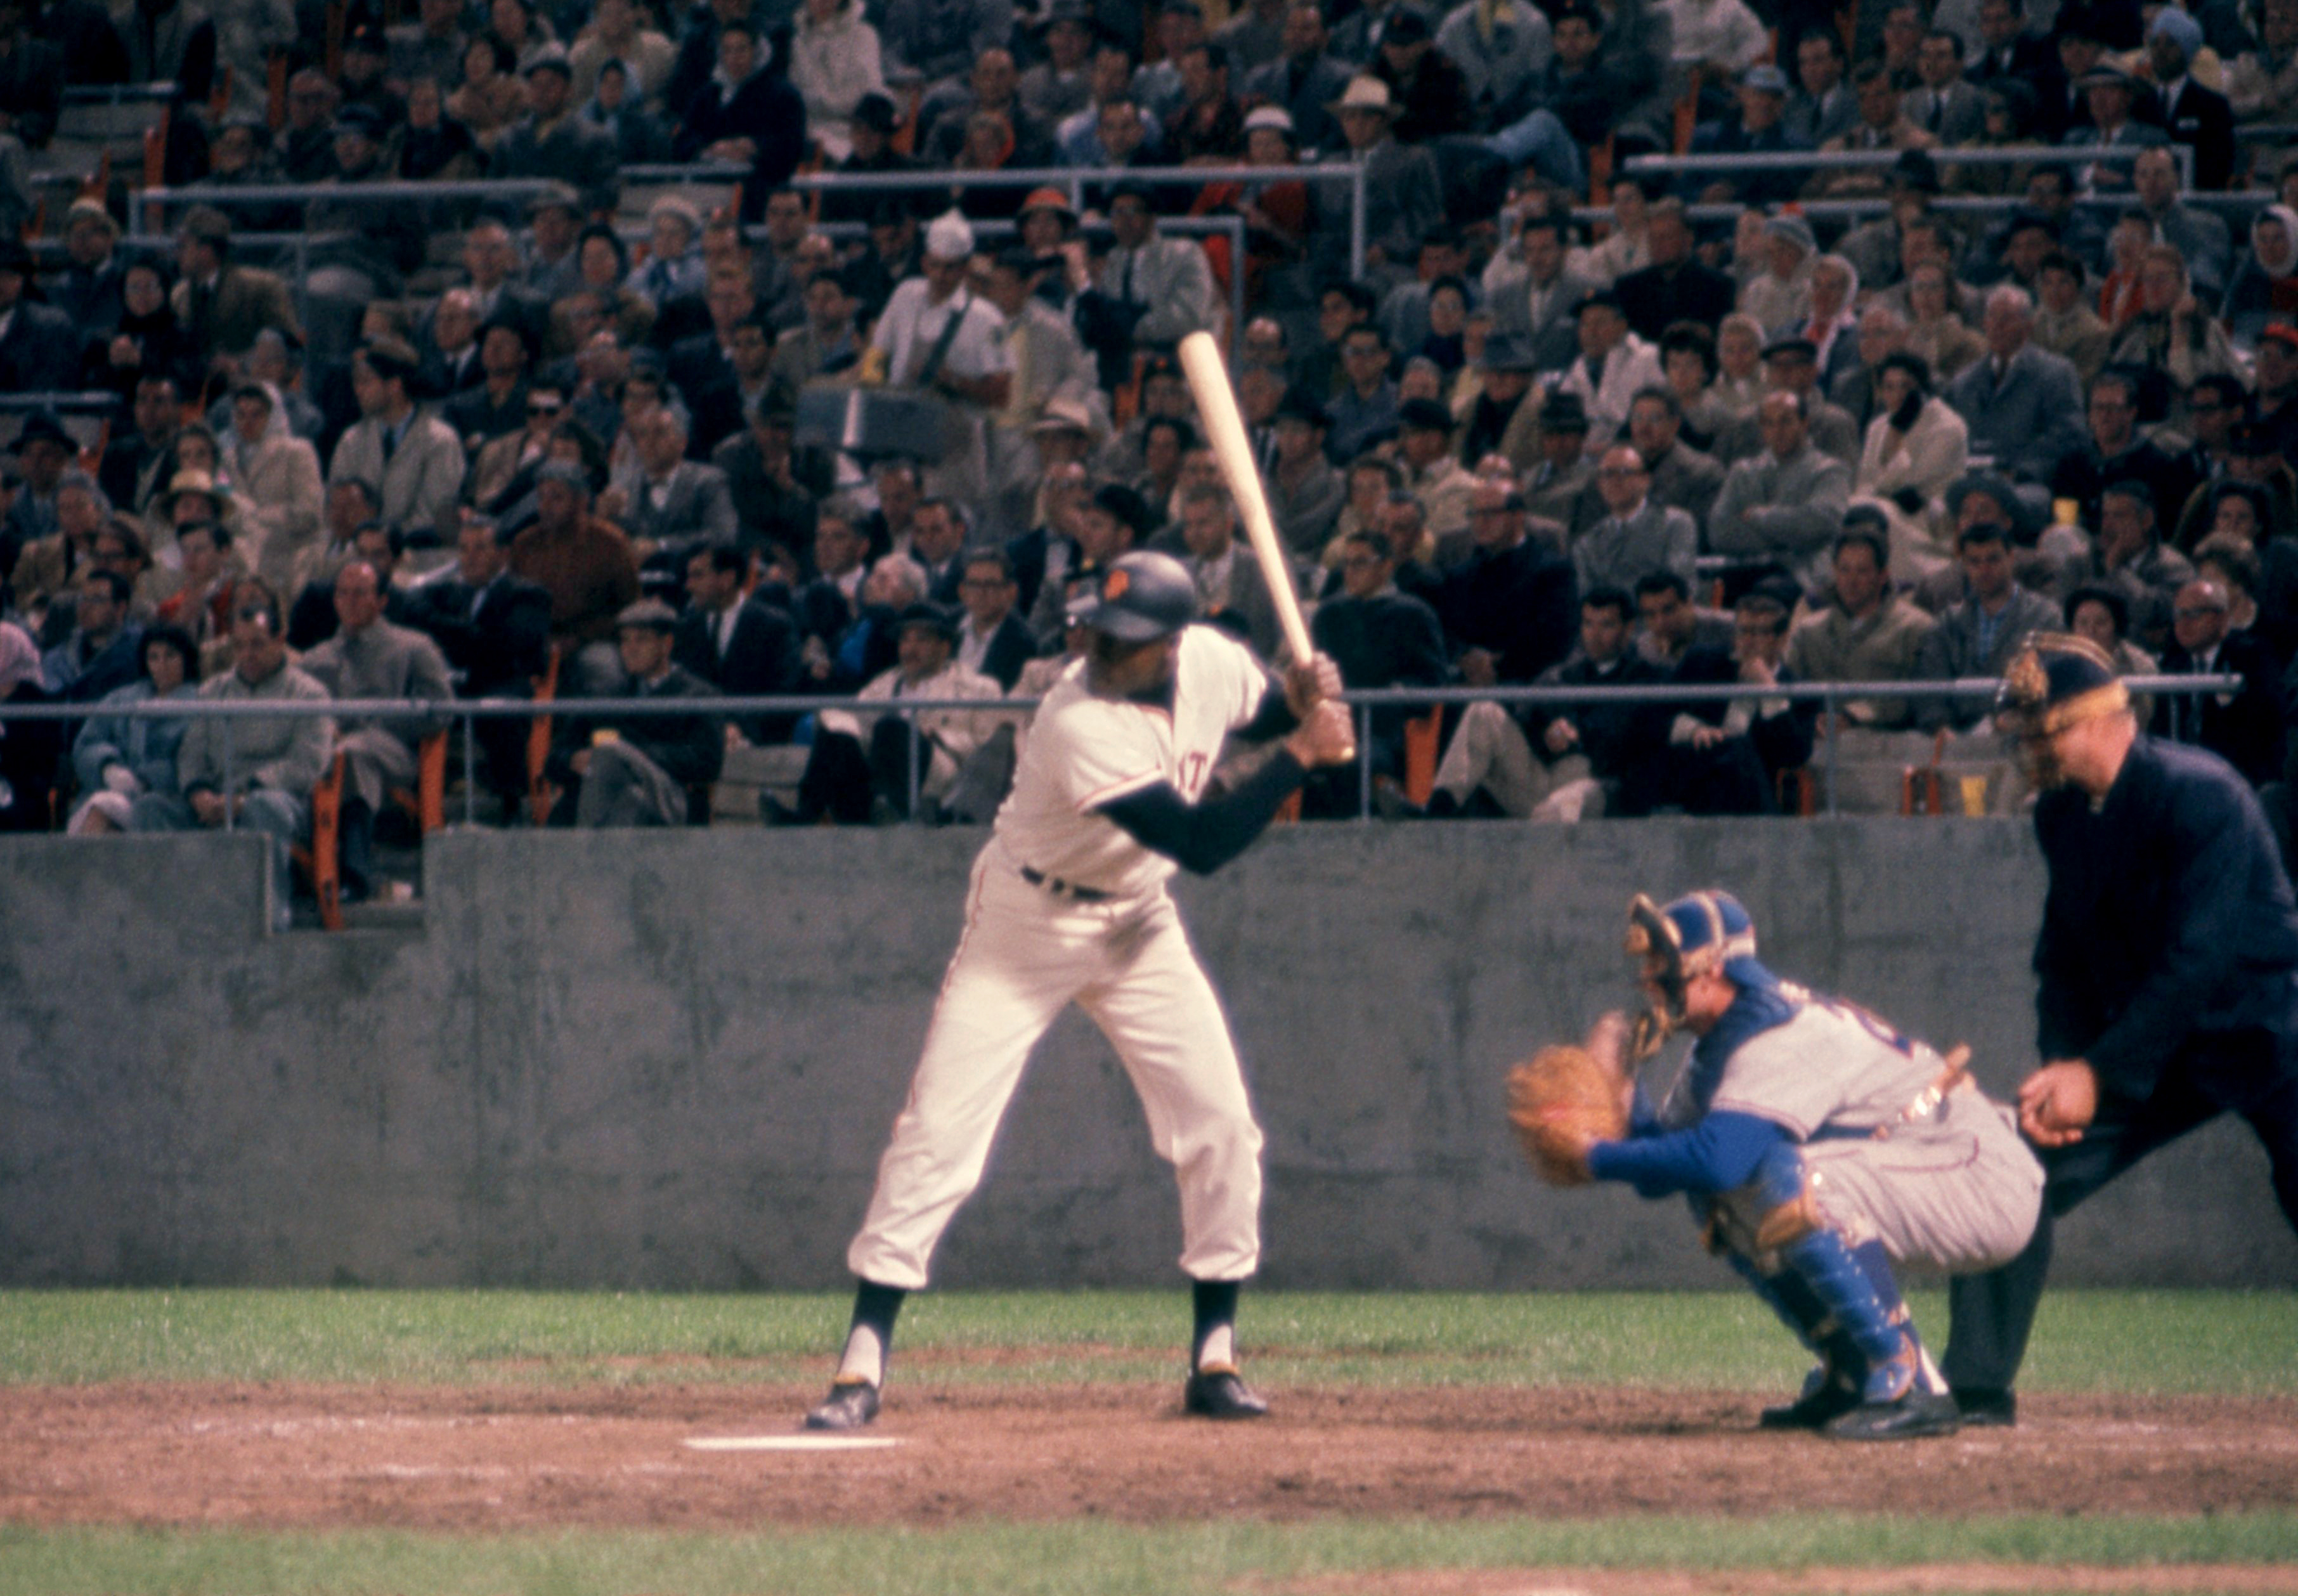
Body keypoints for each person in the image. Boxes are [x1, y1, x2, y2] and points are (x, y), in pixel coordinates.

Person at [802, 550, 1354, 1432]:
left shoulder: (1209, 659)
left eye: (1124, 636)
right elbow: (1203, 843)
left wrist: (1296, 697)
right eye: (1097, 627)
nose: (1100, 643)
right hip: (1026, 923)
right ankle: (860, 1362)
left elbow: (1256, 715)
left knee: (1220, 1124)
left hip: (1138, 918)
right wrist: (1301, 755)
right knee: (941, 1129)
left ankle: (1215, 1358)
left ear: (1172, 642)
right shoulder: (1074, 717)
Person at [1944, 633, 2298, 1427]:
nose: (2034, 747)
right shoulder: (2062, 816)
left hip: (2264, 1030)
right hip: (2145, 1048)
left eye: (2048, 728)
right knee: (2012, 1170)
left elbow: (2198, 962)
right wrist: (2058, 1072)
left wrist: (2095, 1074)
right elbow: (2063, 959)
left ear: (2107, 716)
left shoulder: (2203, 793)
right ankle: (1974, 1387)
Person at [1553, 890, 2042, 1439]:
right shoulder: (1716, 1047)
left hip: (1979, 1172)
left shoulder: (1781, 1034)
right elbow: (1673, 1174)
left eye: (1663, 966)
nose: (1649, 979)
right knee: (1722, 1195)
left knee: (1792, 1178)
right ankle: (1853, 1371)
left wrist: (1594, 1155)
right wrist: (1625, 1093)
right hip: (1927, 1164)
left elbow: (1718, 1159)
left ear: (1713, 972)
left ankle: (1913, 1382)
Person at [298, 561, 454, 900]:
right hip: (327, 748)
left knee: (353, 753)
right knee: (328, 755)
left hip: (392, 749)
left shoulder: (413, 647)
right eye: (343, 593)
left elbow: (441, 707)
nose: (350, 601)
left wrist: (377, 721)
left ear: (381, 601)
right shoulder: (315, 659)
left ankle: (356, 872)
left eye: (360, 593)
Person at [545, 598, 724, 826]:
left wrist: (632, 757)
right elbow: (553, 759)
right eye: (625, 641)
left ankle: (586, 852)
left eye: (642, 640)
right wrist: (572, 760)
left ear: (666, 644)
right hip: (613, 796)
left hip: (668, 797)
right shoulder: (608, 695)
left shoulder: (697, 695)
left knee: (613, 757)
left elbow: (707, 761)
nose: (630, 649)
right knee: (626, 798)